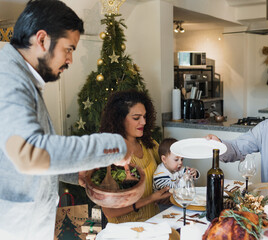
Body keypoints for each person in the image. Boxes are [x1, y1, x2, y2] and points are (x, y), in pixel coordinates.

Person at [0, 1, 131, 240]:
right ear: (42, 40)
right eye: (68, 48)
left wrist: (74, 174)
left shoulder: (22, 76)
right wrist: (115, 147)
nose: (70, 59)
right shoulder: (7, 78)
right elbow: (30, 152)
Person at [99, 90, 171, 223]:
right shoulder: (112, 154)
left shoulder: (149, 144)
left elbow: (166, 171)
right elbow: (109, 212)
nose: (143, 122)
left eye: (144, 116)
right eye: (136, 118)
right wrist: (150, 199)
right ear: (119, 119)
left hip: (153, 224)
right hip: (126, 231)